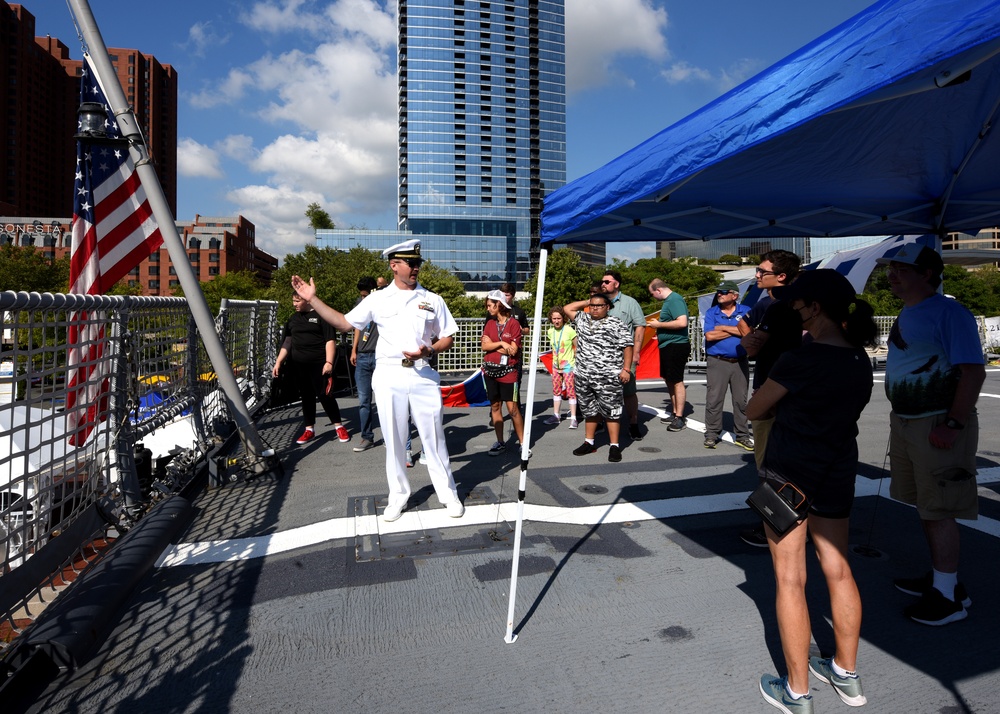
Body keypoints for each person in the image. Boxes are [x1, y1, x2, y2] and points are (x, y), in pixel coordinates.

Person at [746, 269, 877, 714]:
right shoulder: (860, 359)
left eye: (800, 307)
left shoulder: (799, 359)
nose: (796, 314)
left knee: (789, 579)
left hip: (788, 472)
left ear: (815, 307)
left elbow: (753, 409)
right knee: (838, 570)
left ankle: (797, 692)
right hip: (837, 468)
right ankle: (847, 674)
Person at [290, 239, 464, 522]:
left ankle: (447, 493)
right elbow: (344, 323)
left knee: (434, 437)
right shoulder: (377, 298)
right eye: (412, 263)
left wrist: (430, 349)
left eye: (418, 263)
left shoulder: (433, 299)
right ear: (395, 266)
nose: (417, 267)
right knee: (394, 440)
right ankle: (398, 496)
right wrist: (313, 299)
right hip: (389, 374)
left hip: (422, 372)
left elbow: (448, 337)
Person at [878, 243, 985, 626]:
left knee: (939, 506)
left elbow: (973, 371)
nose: (892, 274)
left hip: (936, 422)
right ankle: (946, 581)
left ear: (927, 273)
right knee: (925, 502)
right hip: (908, 421)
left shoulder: (950, 313)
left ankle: (947, 597)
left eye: (902, 268)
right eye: (891, 268)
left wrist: (953, 424)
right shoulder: (911, 311)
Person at [738, 249, 803, 547]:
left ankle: (775, 528)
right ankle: (795, 525)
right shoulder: (799, 305)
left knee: (769, 466)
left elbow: (751, 348)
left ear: (781, 276)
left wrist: (747, 338)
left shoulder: (777, 308)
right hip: (796, 394)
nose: (757, 275)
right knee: (792, 464)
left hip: (770, 390)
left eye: (762, 272)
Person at [272, 293, 351, 446]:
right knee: (306, 396)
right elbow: (287, 342)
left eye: (297, 301)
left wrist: (329, 362)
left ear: (307, 300)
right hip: (299, 365)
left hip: (319, 364)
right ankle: (309, 429)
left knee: (325, 395)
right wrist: (278, 362)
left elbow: (330, 340)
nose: (294, 304)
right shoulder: (293, 320)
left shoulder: (320, 316)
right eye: (293, 300)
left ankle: (338, 426)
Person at [564, 292, 633, 463]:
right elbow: (567, 308)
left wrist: (626, 369)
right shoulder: (582, 318)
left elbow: (627, 346)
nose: (595, 308)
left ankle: (614, 445)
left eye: (599, 305)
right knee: (589, 410)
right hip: (584, 375)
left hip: (608, 376)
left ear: (607, 307)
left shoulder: (616, 323)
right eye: (592, 306)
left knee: (612, 412)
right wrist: (590, 300)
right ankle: (589, 442)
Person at [702, 280, 752, 450]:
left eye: (723, 292)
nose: (719, 294)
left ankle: (742, 435)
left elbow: (748, 333)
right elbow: (709, 336)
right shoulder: (711, 312)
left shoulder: (745, 311)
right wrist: (735, 330)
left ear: (735, 295)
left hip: (740, 361)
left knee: (741, 400)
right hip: (717, 361)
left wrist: (722, 327)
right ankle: (711, 434)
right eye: (719, 292)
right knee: (714, 399)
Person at [601, 271, 647, 440]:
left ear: (617, 284)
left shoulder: (629, 302)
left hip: (624, 355)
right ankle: (603, 422)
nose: (603, 284)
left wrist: (636, 352)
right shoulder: (599, 303)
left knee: (628, 391)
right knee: (602, 390)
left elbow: (640, 326)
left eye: (607, 281)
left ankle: (633, 423)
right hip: (602, 355)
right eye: (602, 282)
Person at [482, 290, 525, 456]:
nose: (488, 309)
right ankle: (500, 442)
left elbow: (513, 351)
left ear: (498, 304)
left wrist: (494, 345)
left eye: (490, 305)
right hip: (490, 370)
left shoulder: (513, 324)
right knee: (495, 406)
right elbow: (484, 347)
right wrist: (501, 343)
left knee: (513, 408)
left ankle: (522, 443)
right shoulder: (490, 323)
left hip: (508, 372)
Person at [647, 278, 690, 432]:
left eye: (652, 294)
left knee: (676, 380)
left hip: (676, 345)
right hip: (669, 345)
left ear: (658, 290)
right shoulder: (670, 301)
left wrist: (659, 325)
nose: (653, 297)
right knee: (670, 379)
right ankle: (675, 412)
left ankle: (679, 417)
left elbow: (682, 322)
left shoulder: (674, 300)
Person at [351, 277, 379, 452]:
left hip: (379, 355)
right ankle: (366, 437)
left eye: (366, 295)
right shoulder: (359, 303)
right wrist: (354, 349)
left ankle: (393, 438)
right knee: (364, 400)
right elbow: (357, 326)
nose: (363, 299)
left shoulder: (382, 302)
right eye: (361, 296)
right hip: (362, 356)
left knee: (385, 400)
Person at [545, 306, 578, 429]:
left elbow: (577, 346)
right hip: (556, 366)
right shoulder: (550, 331)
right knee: (556, 391)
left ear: (563, 319)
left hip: (568, 366)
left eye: (559, 318)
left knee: (570, 391)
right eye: (554, 318)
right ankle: (556, 415)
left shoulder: (569, 330)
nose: (556, 321)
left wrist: (576, 359)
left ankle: (574, 418)